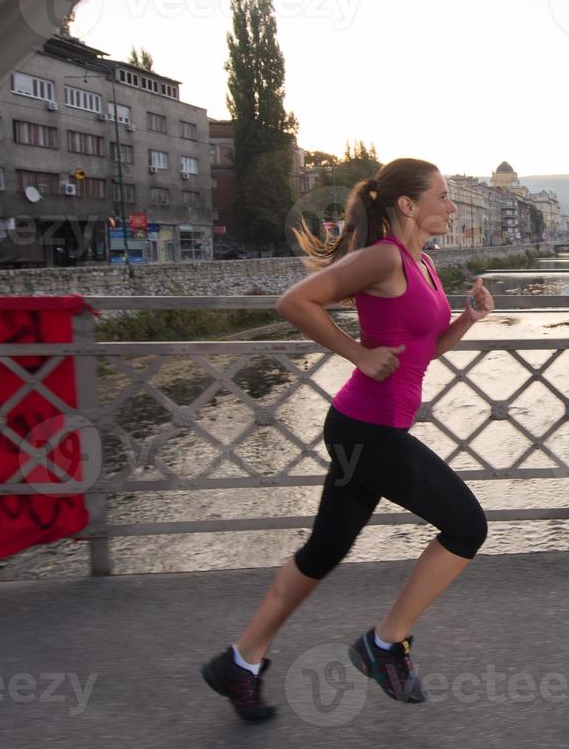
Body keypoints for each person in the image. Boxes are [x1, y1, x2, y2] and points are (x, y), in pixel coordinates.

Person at [201, 158, 495, 721]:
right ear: (407, 204)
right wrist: (357, 353)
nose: (451, 206)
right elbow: (292, 302)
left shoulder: (423, 264)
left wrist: (467, 320)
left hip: (370, 430)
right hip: (367, 430)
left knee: (322, 553)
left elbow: (420, 353)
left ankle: (240, 663)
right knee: (467, 525)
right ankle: (385, 645)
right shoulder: (383, 256)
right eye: (443, 195)